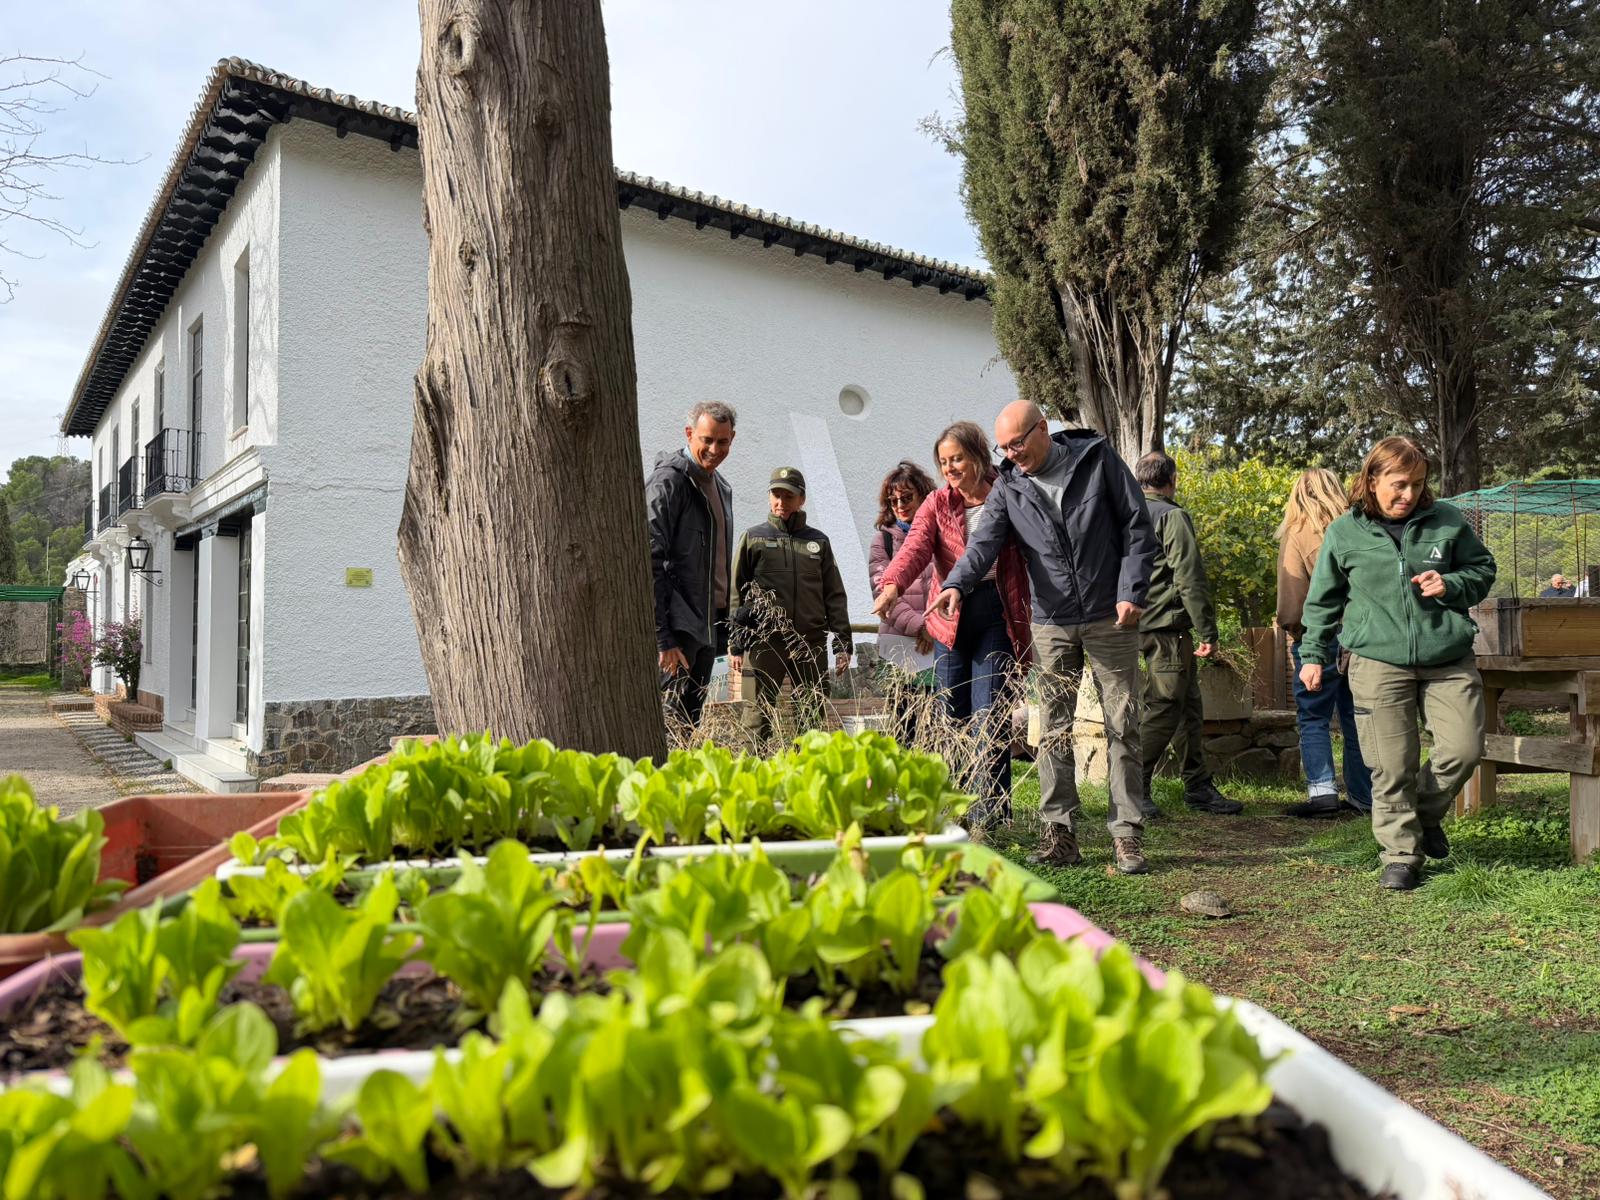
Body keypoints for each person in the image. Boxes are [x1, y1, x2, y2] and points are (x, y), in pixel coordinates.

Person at [931, 402, 1158, 874]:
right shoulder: (1009, 486)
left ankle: (1126, 835)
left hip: (1110, 616)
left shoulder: (1097, 461)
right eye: (1004, 448)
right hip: (1050, 621)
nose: (1012, 455)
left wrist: (1130, 590)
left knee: (1123, 724)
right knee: (1052, 728)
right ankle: (1061, 834)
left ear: (1042, 430)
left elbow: (1137, 526)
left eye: (1018, 443)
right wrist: (956, 583)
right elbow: (984, 543)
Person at [1299, 437, 1496, 891]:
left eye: (1417, 484)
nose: (1408, 494)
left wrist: (1449, 584)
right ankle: (1401, 856)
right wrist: (1313, 654)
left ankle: (1423, 815)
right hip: (1376, 660)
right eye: (1398, 484)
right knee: (1391, 765)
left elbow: (1482, 570)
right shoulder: (1345, 532)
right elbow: (1322, 600)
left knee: (1464, 749)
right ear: (1372, 479)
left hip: (1447, 657)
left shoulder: (1446, 521)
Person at [872, 425, 1033, 825]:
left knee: (989, 712)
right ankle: (958, 808)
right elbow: (914, 548)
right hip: (949, 617)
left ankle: (992, 812)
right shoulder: (937, 503)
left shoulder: (1007, 492)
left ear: (978, 455)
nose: (950, 468)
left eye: (957, 458)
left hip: (996, 611)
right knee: (952, 713)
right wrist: (892, 584)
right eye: (944, 462)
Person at [1132, 452, 1242, 817]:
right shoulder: (1171, 516)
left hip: (1133, 623)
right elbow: (1189, 576)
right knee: (1164, 707)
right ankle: (1133, 787)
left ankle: (1197, 785)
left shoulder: (1125, 513)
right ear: (1172, 479)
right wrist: (1207, 629)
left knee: (1188, 707)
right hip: (1166, 626)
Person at [728, 467, 853, 744]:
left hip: (810, 643)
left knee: (812, 719)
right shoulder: (753, 538)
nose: (781, 502)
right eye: (776, 495)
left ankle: (807, 782)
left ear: (802, 499)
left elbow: (834, 594)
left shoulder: (818, 542)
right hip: (764, 644)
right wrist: (736, 644)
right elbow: (736, 593)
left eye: (788, 496)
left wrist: (843, 643)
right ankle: (753, 783)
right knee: (756, 719)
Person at [1276, 468, 1373, 818]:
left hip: (1317, 639)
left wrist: (1293, 630)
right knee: (1356, 716)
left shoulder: (1297, 532)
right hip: (1361, 637)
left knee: (1313, 716)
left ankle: (1322, 793)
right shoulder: (1357, 527)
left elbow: (1292, 597)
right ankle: (1364, 796)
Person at [645, 401, 736, 731]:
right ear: (689, 434)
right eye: (707, 440)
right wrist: (662, 639)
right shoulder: (667, 483)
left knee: (693, 727)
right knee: (668, 728)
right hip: (678, 633)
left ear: (732, 439)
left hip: (711, 630)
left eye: (723, 442)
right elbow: (648, 560)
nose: (714, 449)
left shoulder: (722, 487)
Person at [868, 461, 940, 744]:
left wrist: (934, 628)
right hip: (899, 648)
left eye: (907, 497)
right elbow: (882, 594)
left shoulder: (942, 535)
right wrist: (920, 626)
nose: (899, 504)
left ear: (923, 495)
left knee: (939, 727)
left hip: (939, 642)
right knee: (904, 729)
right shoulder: (883, 541)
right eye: (893, 499)